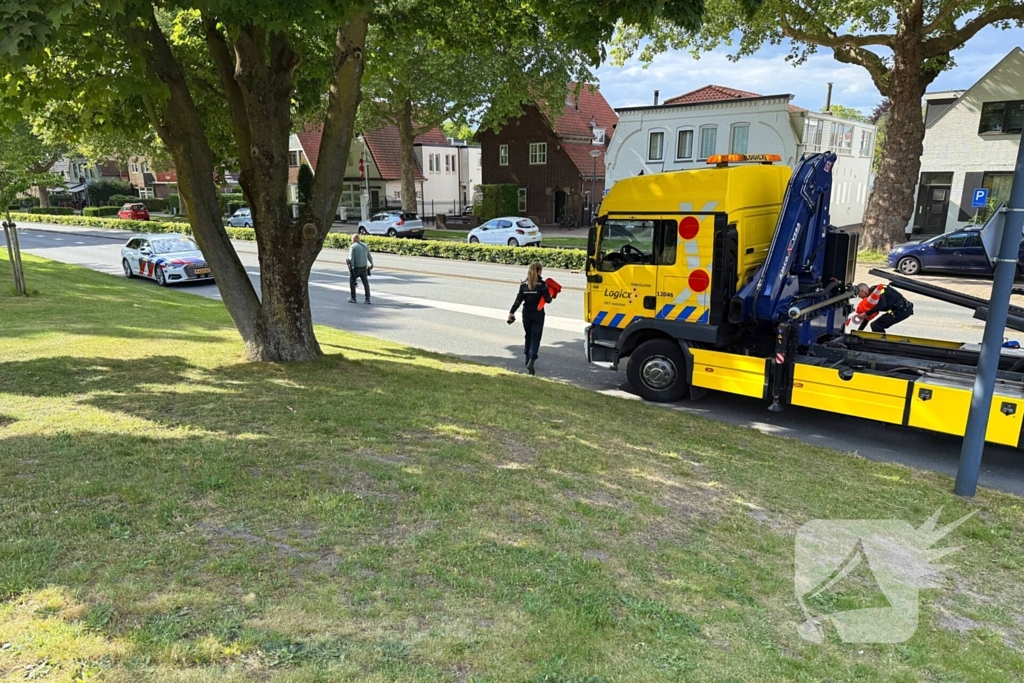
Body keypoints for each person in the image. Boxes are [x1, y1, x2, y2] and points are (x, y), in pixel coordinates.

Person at [508, 262, 552, 375]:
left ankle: (527, 358)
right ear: (538, 271)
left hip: (526, 313)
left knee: (528, 335)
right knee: (536, 337)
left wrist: (511, 312)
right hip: (538, 314)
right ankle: (532, 358)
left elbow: (518, 300)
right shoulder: (542, 284)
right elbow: (548, 300)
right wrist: (548, 292)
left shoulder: (524, 284)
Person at [850, 282, 914, 333]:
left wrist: (866, 314)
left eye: (859, 295)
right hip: (900, 310)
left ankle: (882, 345)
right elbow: (868, 317)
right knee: (876, 325)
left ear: (862, 291)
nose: (860, 297)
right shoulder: (872, 298)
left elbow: (882, 305)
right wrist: (859, 331)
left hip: (903, 310)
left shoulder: (876, 290)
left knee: (876, 325)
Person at [348, 233, 373, 304]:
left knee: (352, 281)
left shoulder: (353, 247)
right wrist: (371, 264)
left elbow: (351, 258)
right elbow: (369, 256)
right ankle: (367, 299)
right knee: (365, 283)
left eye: (352, 239)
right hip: (364, 268)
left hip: (356, 269)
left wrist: (351, 268)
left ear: (354, 239)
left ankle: (353, 298)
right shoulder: (365, 245)